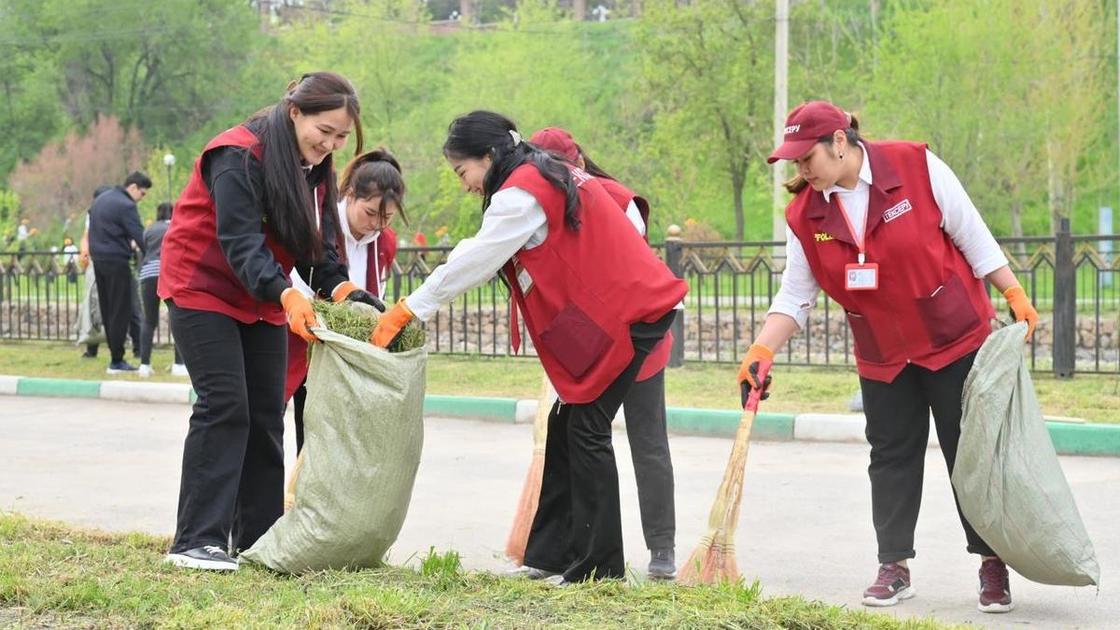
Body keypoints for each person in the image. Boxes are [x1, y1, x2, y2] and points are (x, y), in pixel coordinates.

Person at [740, 101, 1039, 613]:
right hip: (883, 353)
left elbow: (973, 236)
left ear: (839, 142)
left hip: (952, 341)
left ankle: (992, 562)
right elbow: (795, 296)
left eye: (805, 157)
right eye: (793, 163)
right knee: (891, 456)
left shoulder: (916, 167)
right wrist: (762, 348)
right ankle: (893, 566)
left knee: (970, 454)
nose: (801, 170)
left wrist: (1015, 295)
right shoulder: (805, 214)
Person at [370, 111, 688, 584]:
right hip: (620, 310)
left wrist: (411, 309)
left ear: (490, 155)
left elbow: (479, 259)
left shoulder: (524, 189)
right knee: (568, 424)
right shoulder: (534, 175)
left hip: (630, 313)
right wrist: (414, 301)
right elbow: (478, 246)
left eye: (464, 172)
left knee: (586, 431)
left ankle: (598, 570)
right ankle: (552, 556)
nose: (465, 185)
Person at [158, 71, 377, 571]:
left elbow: (311, 238)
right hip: (203, 285)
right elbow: (239, 242)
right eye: (325, 131)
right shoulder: (235, 153)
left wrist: (338, 285)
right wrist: (284, 292)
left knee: (265, 411)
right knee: (225, 405)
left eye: (342, 137)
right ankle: (196, 540)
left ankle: (257, 538)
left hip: (261, 294)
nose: (331, 144)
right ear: (295, 111)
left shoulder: (313, 164)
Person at [529, 126, 678, 580]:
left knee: (647, 441)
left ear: (575, 164)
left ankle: (661, 548)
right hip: (585, 339)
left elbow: (622, 268)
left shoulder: (615, 198)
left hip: (635, 336)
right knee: (577, 436)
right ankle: (564, 549)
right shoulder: (541, 205)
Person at [285, 148, 405, 453]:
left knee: (348, 436)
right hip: (305, 339)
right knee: (311, 429)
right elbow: (301, 279)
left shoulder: (385, 242)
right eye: (369, 213)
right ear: (350, 195)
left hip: (353, 350)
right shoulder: (320, 226)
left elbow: (375, 293)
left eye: (386, 217)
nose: (377, 224)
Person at [88, 171, 151, 373]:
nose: (142, 198)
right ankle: (117, 360)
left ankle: (115, 355)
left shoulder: (102, 199)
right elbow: (139, 236)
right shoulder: (126, 205)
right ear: (132, 187)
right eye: (142, 193)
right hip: (117, 260)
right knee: (120, 310)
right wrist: (153, 255)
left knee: (108, 309)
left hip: (98, 259)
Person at [137, 202, 186, 378]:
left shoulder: (149, 229)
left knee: (148, 320)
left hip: (148, 273)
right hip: (170, 272)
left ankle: (144, 365)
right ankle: (179, 364)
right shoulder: (176, 226)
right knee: (177, 317)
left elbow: (142, 252)